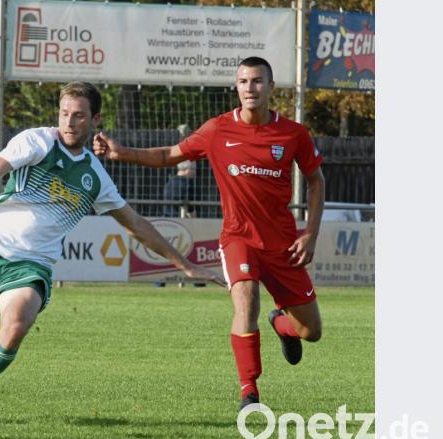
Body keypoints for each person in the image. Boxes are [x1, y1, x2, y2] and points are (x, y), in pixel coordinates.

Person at [0, 81, 226, 425]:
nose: (69, 122)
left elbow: (136, 223)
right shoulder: (37, 140)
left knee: (17, 324)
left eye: (79, 115)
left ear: (96, 120)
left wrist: (186, 265)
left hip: (31, 264)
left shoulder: (95, 176)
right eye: (64, 113)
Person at [93, 56, 326, 410]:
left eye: (258, 81)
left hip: (283, 245)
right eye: (244, 81)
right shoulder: (218, 129)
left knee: (312, 332)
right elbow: (169, 154)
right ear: (237, 87)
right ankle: (249, 392)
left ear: (271, 88)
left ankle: (281, 324)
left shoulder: (294, 134)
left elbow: (315, 181)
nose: (251, 87)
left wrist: (310, 233)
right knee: (246, 301)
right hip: (239, 239)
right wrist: (121, 152)